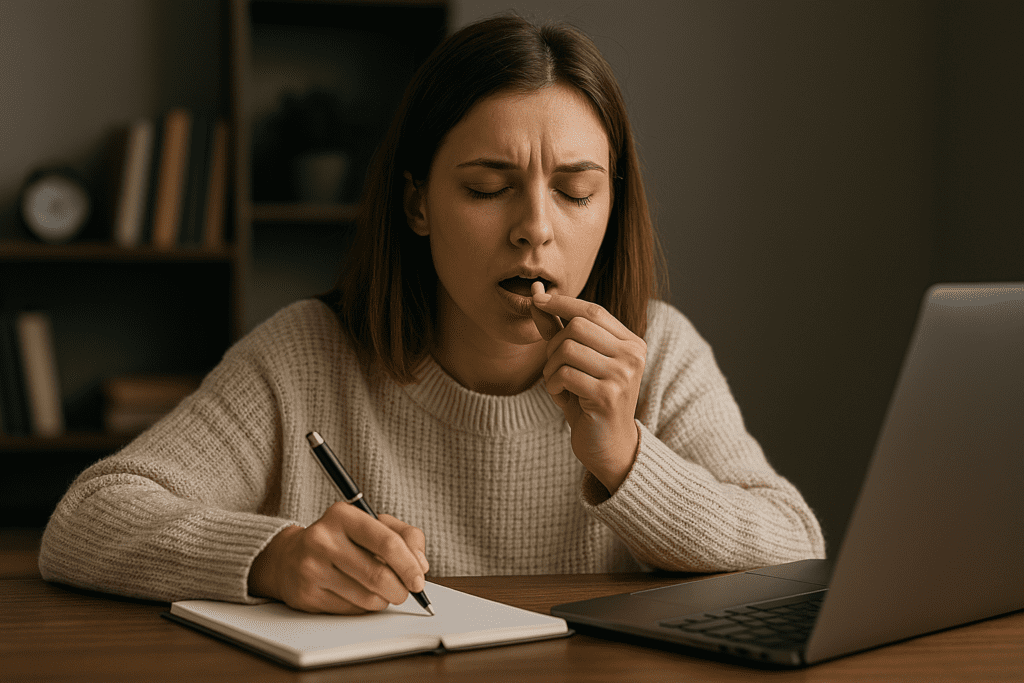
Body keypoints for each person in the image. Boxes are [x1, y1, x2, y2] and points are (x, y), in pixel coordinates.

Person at [39, 14, 825, 615]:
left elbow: (798, 547)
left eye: (577, 191)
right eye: (488, 187)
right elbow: (87, 518)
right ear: (417, 203)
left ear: (612, 205)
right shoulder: (308, 353)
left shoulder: (662, 350)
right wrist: (274, 556)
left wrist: (624, 454)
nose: (536, 227)